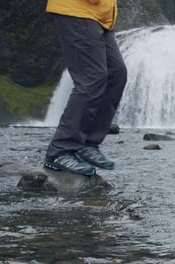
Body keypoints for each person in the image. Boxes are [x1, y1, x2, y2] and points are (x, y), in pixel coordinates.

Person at [43, 0, 127, 176]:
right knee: (92, 78)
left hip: (100, 15)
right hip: (77, 10)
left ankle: (88, 144)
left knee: (116, 74)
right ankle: (59, 151)